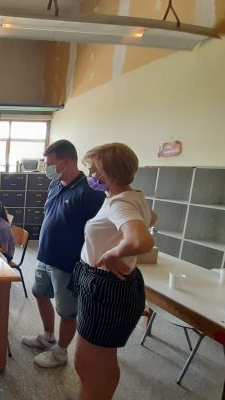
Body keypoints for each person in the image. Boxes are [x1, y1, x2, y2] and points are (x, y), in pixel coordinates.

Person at [71, 143, 154, 400]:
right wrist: (119, 246)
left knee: (89, 363)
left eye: (94, 170)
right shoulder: (131, 197)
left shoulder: (121, 203)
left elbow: (142, 239)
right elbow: (152, 218)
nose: (91, 175)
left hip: (106, 289)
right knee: (100, 361)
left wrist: (112, 253)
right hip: (105, 285)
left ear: (110, 172)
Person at [21, 139, 105, 369]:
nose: (47, 169)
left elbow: (99, 230)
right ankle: (48, 336)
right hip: (45, 253)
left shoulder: (88, 191)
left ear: (66, 162)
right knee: (39, 293)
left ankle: (61, 352)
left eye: (51, 164)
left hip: (68, 262)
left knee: (67, 310)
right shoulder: (55, 185)